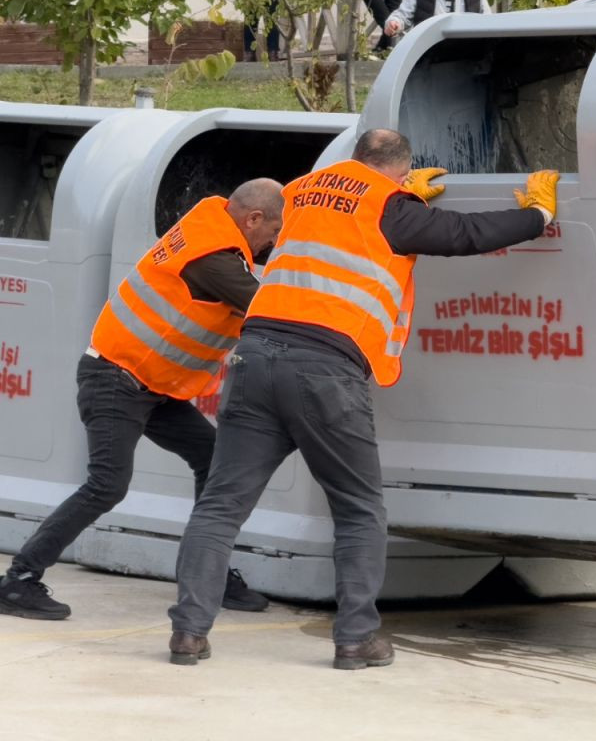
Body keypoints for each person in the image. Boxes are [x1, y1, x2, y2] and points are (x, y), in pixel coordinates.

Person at [166, 129, 558, 670]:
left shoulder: (300, 191)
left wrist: (405, 199)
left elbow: (344, 226)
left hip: (254, 356)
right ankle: (356, 639)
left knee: (220, 505)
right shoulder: (389, 204)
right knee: (357, 509)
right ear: (399, 171)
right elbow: (464, 233)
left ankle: (188, 633)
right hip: (325, 367)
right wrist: (537, 216)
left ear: (357, 161)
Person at [0, 180, 285, 621]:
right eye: (273, 233)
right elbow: (272, 308)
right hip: (117, 379)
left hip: (151, 386)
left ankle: (208, 573)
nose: (273, 243)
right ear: (253, 219)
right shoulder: (214, 257)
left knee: (212, 459)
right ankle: (18, 582)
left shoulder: (210, 228)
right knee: (107, 485)